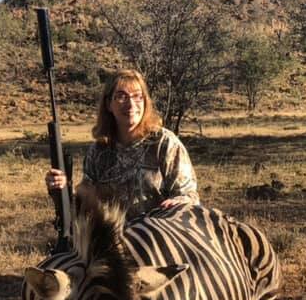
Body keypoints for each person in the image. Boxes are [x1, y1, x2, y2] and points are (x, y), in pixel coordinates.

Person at [45, 69, 200, 221]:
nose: (131, 104)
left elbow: (188, 194)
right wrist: (62, 188)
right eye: (121, 97)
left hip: (157, 238)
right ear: (108, 104)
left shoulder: (164, 143)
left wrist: (181, 202)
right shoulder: (99, 150)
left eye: (138, 97)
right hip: (113, 241)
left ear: (145, 102)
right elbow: (85, 203)